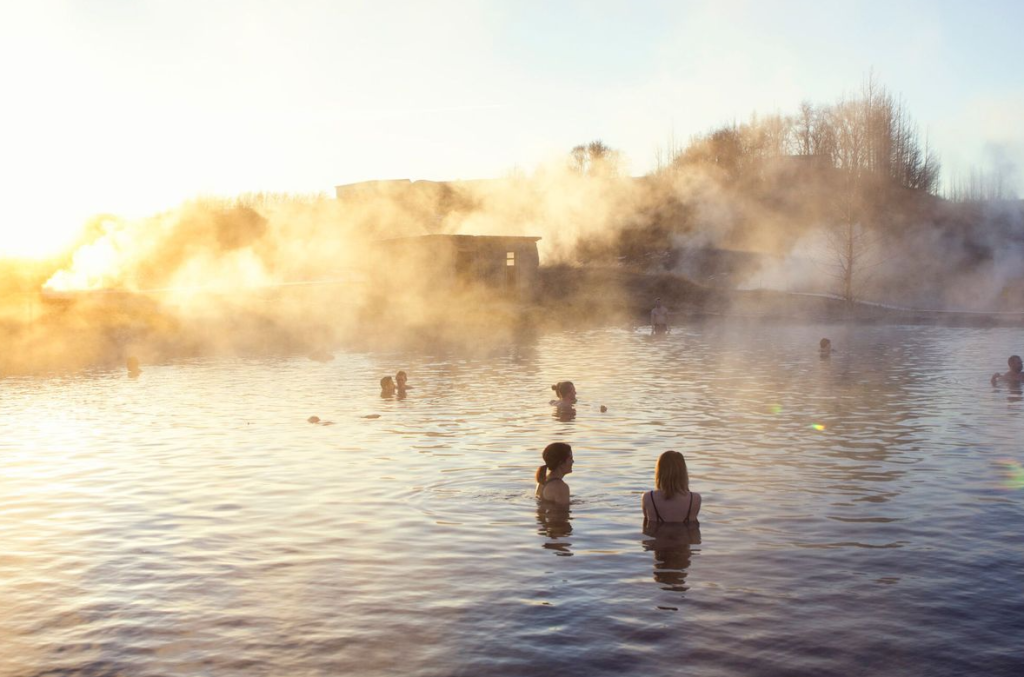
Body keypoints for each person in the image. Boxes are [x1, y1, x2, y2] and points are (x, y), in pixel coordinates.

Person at [642, 450, 701, 523]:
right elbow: (694, 530)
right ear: (683, 472)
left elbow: (645, 527)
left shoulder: (648, 497)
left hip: (656, 534)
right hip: (684, 534)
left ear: (659, 472)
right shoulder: (695, 499)